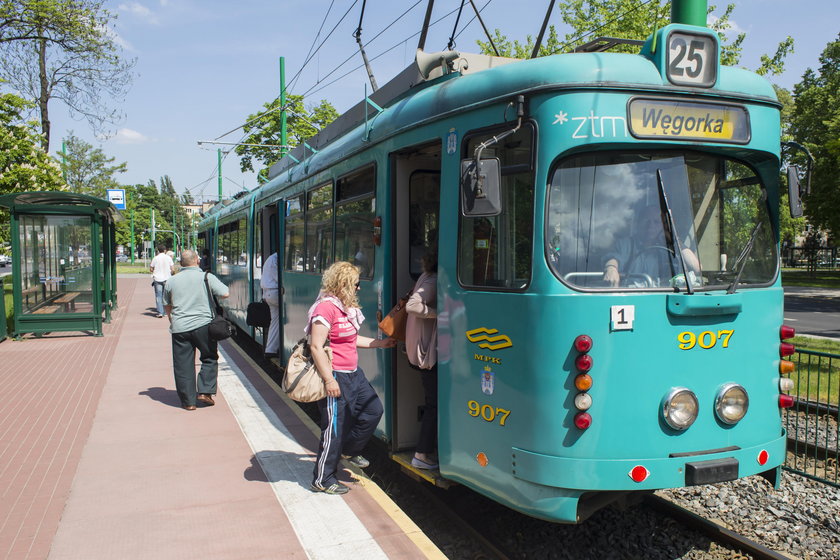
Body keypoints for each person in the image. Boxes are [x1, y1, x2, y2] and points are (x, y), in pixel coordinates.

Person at [308, 261, 397, 494]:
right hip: (336, 375)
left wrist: (380, 343)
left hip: (354, 375)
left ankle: (348, 450)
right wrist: (329, 380)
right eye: (356, 284)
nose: (359, 288)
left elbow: (349, 340)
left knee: (373, 411)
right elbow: (316, 347)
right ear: (344, 283)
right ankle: (322, 478)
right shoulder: (325, 308)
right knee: (333, 429)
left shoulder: (344, 308)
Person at [163, 250, 229, 411]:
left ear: (181, 263)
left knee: (182, 364)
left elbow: (167, 304)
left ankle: (188, 402)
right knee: (209, 357)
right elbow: (225, 293)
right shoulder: (206, 277)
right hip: (204, 326)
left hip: (180, 328)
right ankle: (205, 392)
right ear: (197, 261)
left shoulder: (171, 280)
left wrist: (172, 319)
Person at [603, 204, 700, 288]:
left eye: (656, 222)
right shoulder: (625, 244)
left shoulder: (666, 249)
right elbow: (613, 257)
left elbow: (696, 268)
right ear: (638, 223)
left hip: (658, 297)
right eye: (646, 221)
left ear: (662, 226)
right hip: (629, 296)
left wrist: (675, 241)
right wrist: (611, 268)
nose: (650, 226)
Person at [406, 249, 438, 470]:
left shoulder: (425, 276)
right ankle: (422, 454)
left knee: (432, 402)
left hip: (422, 350)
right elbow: (413, 306)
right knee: (434, 404)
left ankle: (425, 451)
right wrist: (439, 313)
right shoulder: (434, 280)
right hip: (427, 353)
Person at [260, 252, 280, 358]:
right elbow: (280, 278)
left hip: (268, 293)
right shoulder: (276, 259)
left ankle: (270, 350)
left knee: (275, 321)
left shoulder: (270, 258)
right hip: (275, 293)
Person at [150, 245, 175, 318]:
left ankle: (160, 312)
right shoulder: (168, 258)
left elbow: (151, 269)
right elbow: (172, 269)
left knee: (158, 295)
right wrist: (172, 273)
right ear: (165, 250)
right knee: (167, 296)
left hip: (157, 279)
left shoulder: (155, 258)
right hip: (167, 279)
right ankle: (166, 312)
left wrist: (155, 270)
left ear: (158, 250)